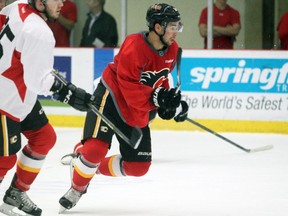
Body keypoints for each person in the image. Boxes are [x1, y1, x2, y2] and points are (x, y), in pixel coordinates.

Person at [58, 3, 189, 213]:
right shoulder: (134, 45)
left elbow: (161, 79)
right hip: (111, 98)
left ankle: (84, 164)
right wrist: (155, 97)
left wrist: (166, 103)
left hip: (136, 107)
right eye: (172, 26)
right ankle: (77, 187)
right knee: (95, 150)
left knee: (138, 167)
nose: (176, 31)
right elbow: (129, 88)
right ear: (157, 27)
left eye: (177, 26)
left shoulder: (172, 49)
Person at [0, 0, 93, 215]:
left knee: (44, 137)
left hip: (19, 95)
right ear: (40, 2)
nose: (62, 3)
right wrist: (69, 92)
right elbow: (38, 81)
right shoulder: (39, 31)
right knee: (5, 159)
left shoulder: (18, 5)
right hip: (5, 100)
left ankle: (16, 192)